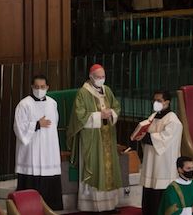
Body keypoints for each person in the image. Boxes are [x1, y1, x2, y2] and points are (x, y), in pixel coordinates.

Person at [67, 64, 122, 212]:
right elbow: (79, 116)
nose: (101, 80)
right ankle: (93, 205)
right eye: (98, 77)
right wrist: (99, 116)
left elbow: (116, 106)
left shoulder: (107, 90)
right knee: (94, 168)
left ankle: (109, 204)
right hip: (91, 139)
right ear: (91, 77)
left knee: (109, 170)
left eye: (103, 77)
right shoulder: (83, 93)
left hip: (108, 137)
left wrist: (111, 113)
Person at [13, 74, 63, 210]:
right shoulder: (24, 104)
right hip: (31, 152)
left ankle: (51, 208)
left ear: (47, 87)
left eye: (42, 87)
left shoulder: (52, 103)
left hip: (48, 149)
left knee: (49, 180)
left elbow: (55, 123)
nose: (39, 89)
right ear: (31, 87)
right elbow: (18, 127)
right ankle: (28, 208)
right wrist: (36, 124)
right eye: (36, 87)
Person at [135, 91, 183, 215]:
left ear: (167, 102)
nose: (156, 103)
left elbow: (164, 138)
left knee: (159, 196)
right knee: (149, 191)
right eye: (154, 100)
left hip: (164, 164)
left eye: (159, 101)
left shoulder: (173, 120)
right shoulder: (154, 116)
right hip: (151, 160)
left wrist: (146, 137)